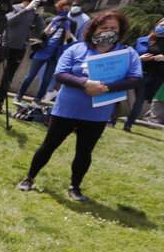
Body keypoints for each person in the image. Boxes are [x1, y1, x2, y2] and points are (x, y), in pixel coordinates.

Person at [16, 10, 142, 201]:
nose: (108, 31)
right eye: (104, 27)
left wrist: (105, 87)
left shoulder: (127, 53)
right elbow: (61, 74)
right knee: (48, 146)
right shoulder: (76, 49)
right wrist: (86, 83)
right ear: (94, 29)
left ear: (120, 30)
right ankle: (29, 178)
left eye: (113, 28)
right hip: (67, 109)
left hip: (97, 113)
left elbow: (135, 78)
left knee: (84, 152)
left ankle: (75, 187)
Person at [15, 0, 74, 104]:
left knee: (47, 79)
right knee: (30, 75)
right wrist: (52, 24)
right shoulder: (50, 20)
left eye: (67, 9)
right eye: (63, 9)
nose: (65, 11)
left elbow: (69, 41)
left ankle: (38, 98)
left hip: (56, 54)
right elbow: (42, 35)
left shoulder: (71, 23)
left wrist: (67, 28)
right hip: (43, 50)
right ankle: (19, 94)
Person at [124, 17, 164, 131]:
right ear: (156, 25)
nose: (162, 28)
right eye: (161, 25)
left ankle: (128, 124)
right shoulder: (142, 40)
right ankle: (111, 120)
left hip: (151, 77)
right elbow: (129, 55)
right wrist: (140, 58)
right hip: (135, 73)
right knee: (123, 97)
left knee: (139, 101)